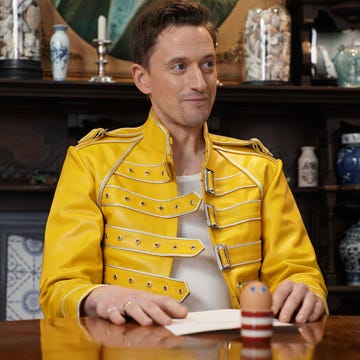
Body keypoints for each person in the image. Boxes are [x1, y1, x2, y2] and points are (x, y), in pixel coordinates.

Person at [40, 0, 327, 327]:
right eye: (179, 67)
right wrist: (100, 297)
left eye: (207, 64)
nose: (199, 83)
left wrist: (306, 291)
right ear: (142, 78)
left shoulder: (260, 168)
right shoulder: (92, 163)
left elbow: (299, 272)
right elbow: (59, 287)